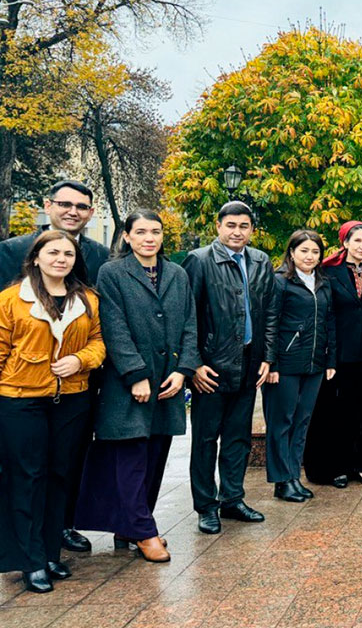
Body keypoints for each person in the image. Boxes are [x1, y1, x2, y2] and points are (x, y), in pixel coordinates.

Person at [73, 211, 198, 563]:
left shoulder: (177, 273)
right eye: (141, 232)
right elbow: (112, 326)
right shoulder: (112, 273)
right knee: (129, 459)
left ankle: (129, 525)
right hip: (128, 385)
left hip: (168, 381)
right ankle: (145, 531)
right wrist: (134, 374)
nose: (149, 238)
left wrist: (184, 370)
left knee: (156, 458)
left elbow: (190, 323)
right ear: (127, 236)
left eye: (155, 232)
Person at [0, 181, 110, 555]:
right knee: (26, 473)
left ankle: (56, 536)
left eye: (81, 206)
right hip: (21, 393)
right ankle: (26, 551)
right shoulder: (11, 257)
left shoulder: (98, 259)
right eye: (65, 204)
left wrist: (82, 360)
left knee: (64, 468)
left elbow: (99, 334)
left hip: (75, 391)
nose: (72, 211)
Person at [182, 201, 277, 534]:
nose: (238, 232)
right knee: (206, 439)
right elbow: (188, 316)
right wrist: (193, 365)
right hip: (212, 366)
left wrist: (267, 357)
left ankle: (233, 499)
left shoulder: (260, 261)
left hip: (250, 363)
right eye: (231, 225)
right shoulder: (199, 260)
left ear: (252, 229)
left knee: (239, 437)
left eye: (244, 226)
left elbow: (268, 313)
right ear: (218, 226)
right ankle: (206, 506)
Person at [305, 221, 362, 488]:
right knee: (337, 412)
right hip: (338, 354)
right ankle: (337, 467)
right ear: (345, 243)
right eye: (357, 241)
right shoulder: (328, 272)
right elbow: (325, 312)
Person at [263, 230, 337, 502]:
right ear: (291, 252)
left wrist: (330, 360)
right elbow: (270, 322)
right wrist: (270, 363)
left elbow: (330, 323)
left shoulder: (323, 282)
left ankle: (294, 476)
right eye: (304, 250)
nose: (309, 256)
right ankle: (281, 481)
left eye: (315, 252)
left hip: (315, 364)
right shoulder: (280, 282)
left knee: (302, 421)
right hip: (285, 364)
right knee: (281, 422)